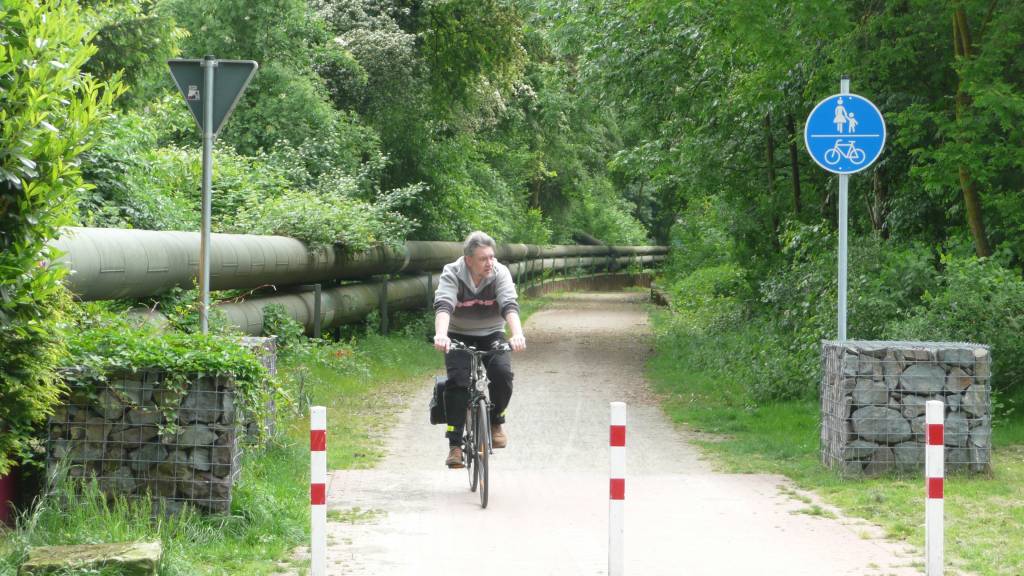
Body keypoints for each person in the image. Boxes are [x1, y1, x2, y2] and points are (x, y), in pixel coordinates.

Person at [433, 231, 527, 468]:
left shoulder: (499, 273)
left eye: (491, 257)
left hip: (492, 333)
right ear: (468, 260)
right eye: (483, 258)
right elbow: (444, 305)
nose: (489, 263)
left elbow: (509, 304)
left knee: (502, 374)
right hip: (457, 334)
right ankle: (455, 445)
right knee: (458, 382)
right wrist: (442, 335)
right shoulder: (452, 272)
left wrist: (517, 334)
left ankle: (496, 422)